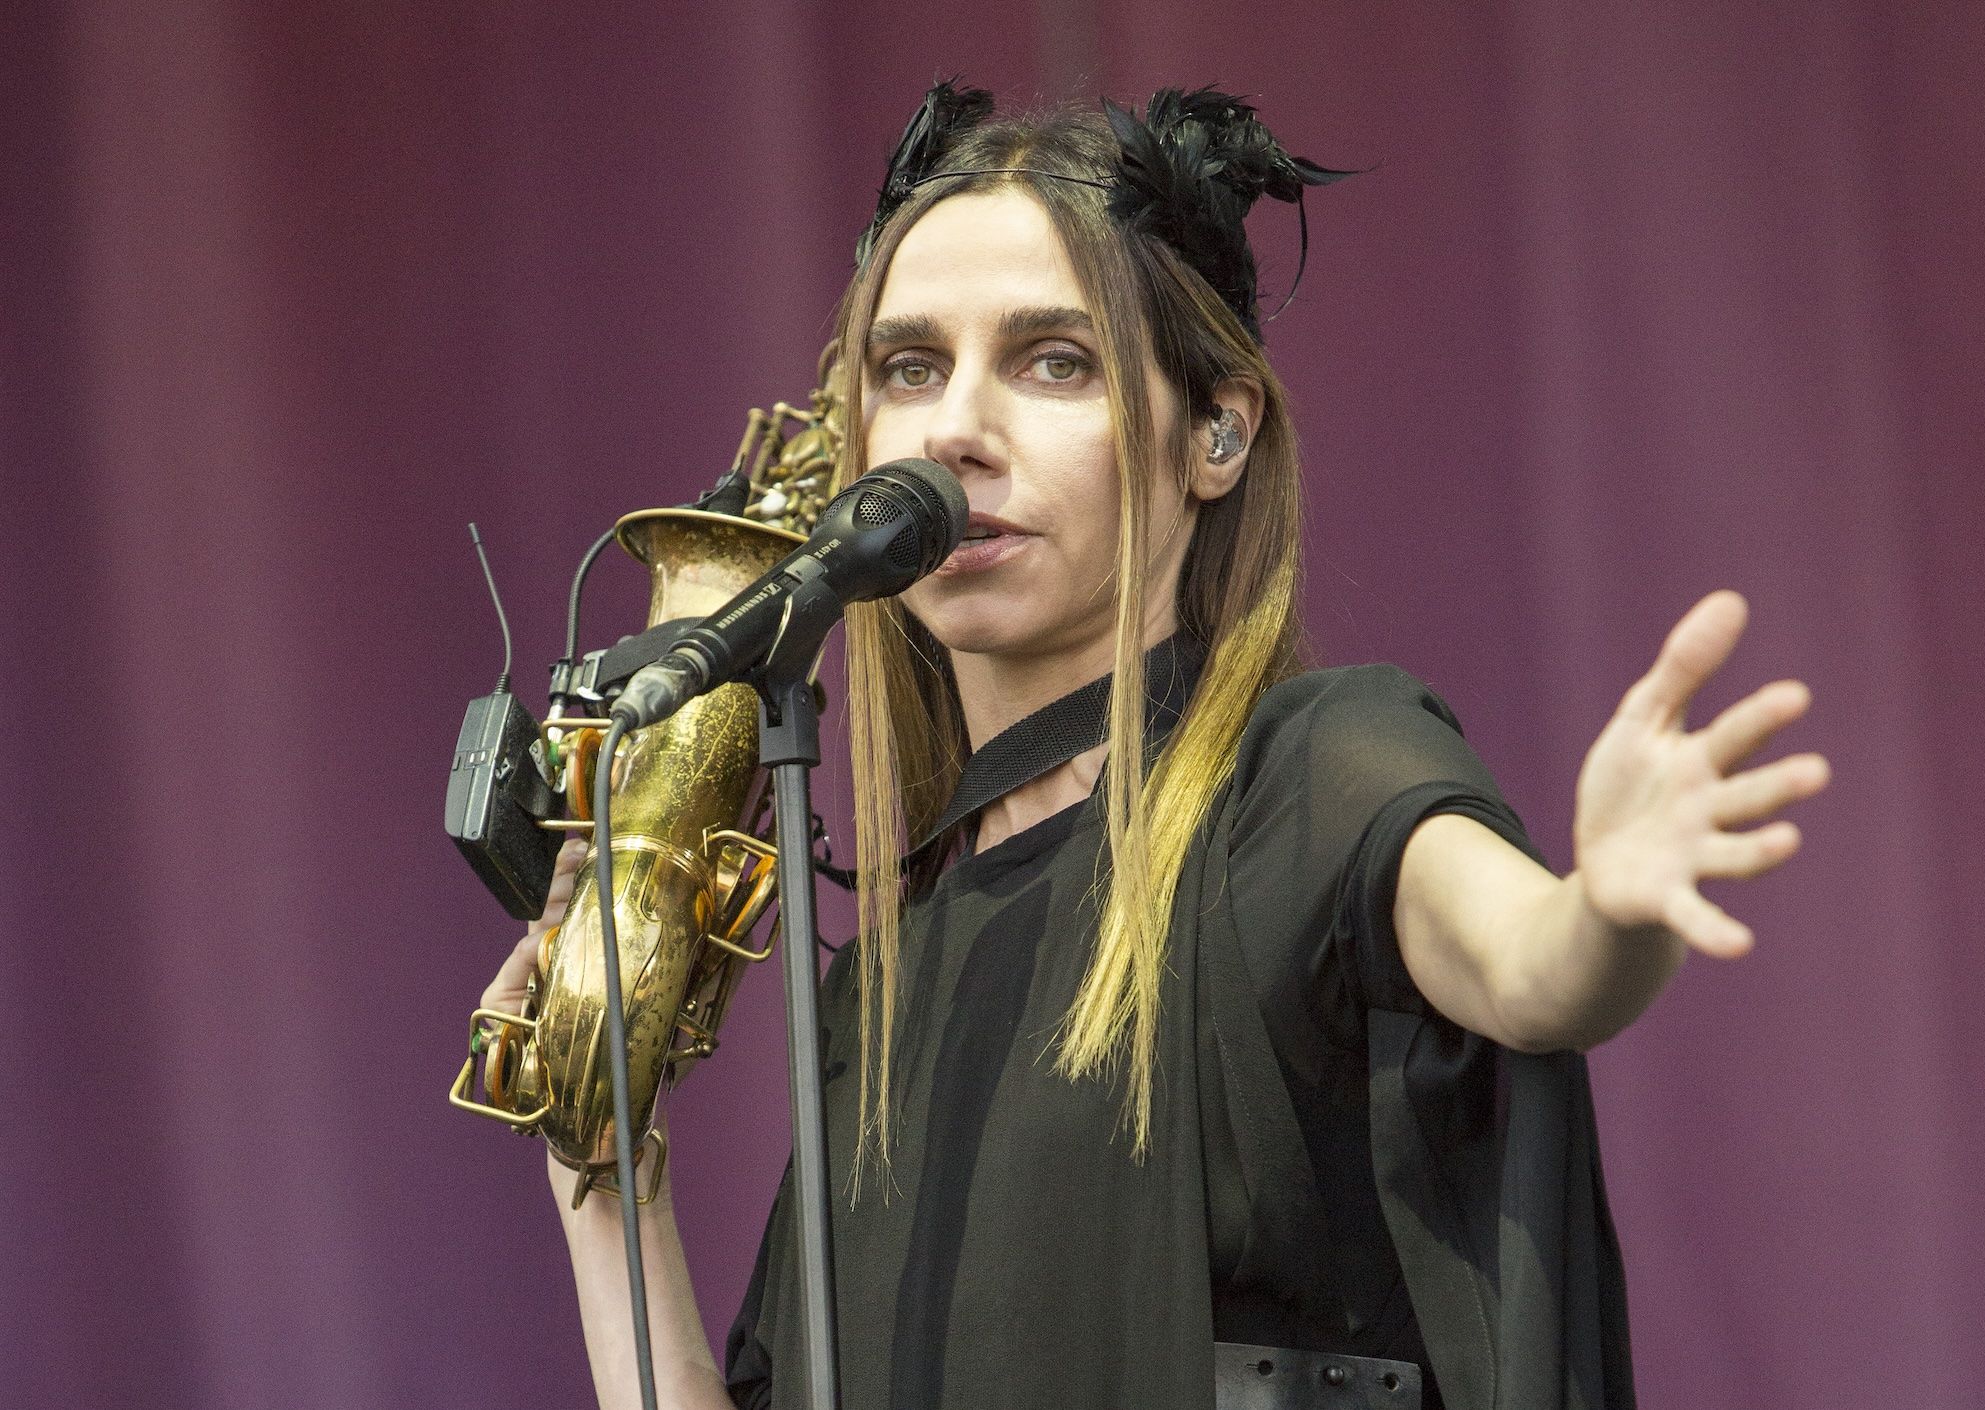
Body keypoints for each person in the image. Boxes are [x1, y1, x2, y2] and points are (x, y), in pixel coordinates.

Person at [480, 84, 1830, 1410]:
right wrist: (603, 1164)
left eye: (1051, 359)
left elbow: (1533, 974)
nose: (956, 428)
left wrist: (1607, 911)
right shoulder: (891, 980)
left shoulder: (1312, 773)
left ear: (1217, 433)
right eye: (909, 366)